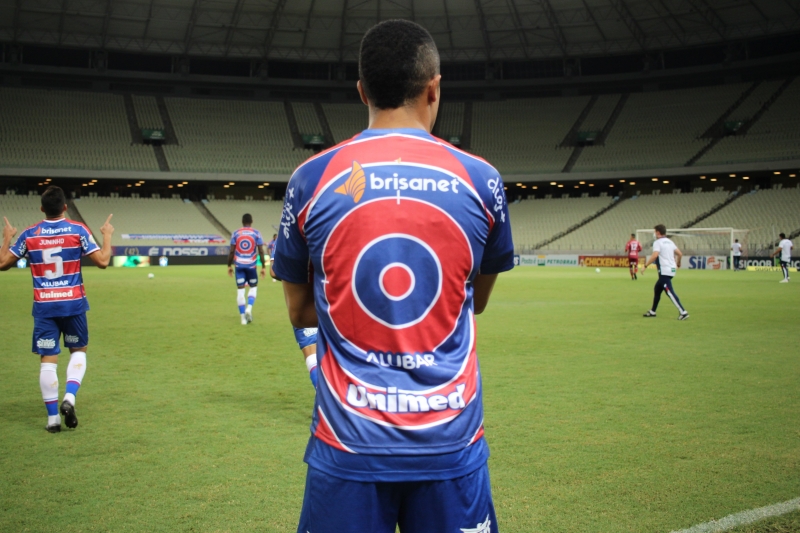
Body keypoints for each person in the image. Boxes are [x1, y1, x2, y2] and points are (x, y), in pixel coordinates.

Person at [272, 19, 514, 533]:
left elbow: (299, 310)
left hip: (348, 445)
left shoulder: (310, 179)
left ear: (361, 91)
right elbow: (473, 300)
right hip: (450, 441)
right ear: (434, 87)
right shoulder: (482, 179)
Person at [0, 186, 114, 432]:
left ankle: (52, 420)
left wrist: (7, 236)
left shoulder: (30, 234)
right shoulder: (78, 230)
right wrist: (106, 234)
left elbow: (2, 264)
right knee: (78, 351)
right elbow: (103, 261)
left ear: (42, 208)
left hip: (44, 306)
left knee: (47, 362)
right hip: (73, 304)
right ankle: (69, 398)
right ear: (65, 207)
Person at [270, 246, 319, 388]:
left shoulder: (288, 231)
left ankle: (324, 399)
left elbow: (273, 272)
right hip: (336, 300)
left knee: (312, 353)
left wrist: (293, 275)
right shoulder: (333, 227)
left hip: (306, 303)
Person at [642, 224, 689, 320]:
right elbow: (680, 254)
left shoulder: (658, 242)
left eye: (655, 232)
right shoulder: (670, 242)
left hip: (664, 271)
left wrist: (645, 266)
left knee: (669, 292)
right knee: (657, 289)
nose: (654, 234)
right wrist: (678, 263)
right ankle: (652, 311)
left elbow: (655, 255)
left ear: (658, 232)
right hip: (671, 269)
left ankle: (683, 312)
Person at [227, 214, 266, 325]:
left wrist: (229, 266)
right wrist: (263, 267)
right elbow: (261, 251)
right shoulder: (256, 233)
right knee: (253, 288)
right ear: (251, 221)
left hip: (239, 266)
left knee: (240, 291)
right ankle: (249, 307)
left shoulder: (235, 233)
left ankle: (243, 318)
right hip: (251, 266)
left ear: (242, 221)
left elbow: (231, 251)